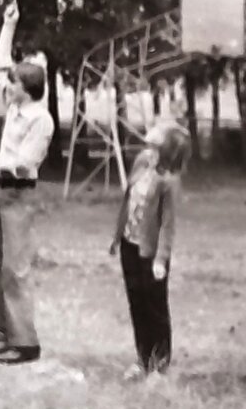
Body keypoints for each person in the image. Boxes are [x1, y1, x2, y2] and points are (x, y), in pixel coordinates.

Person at [0, 3, 55, 365]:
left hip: (18, 194)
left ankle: (27, 344)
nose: (7, 86)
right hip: (0, 192)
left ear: (29, 89)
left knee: (16, 267)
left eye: (14, 83)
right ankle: (7, 335)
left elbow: (26, 164)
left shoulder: (42, 119)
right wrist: (9, 24)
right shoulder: (14, 107)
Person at [109, 119, 190, 379]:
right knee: (136, 303)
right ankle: (143, 359)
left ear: (166, 146)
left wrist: (161, 259)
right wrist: (117, 237)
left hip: (151, 253)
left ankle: (160, 364)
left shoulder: (168, 180)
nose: (154, 128)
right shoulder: (142, 161)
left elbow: (168, 224)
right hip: (129, 244)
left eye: (160, 131)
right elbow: (128, 200)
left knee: (155, 307)